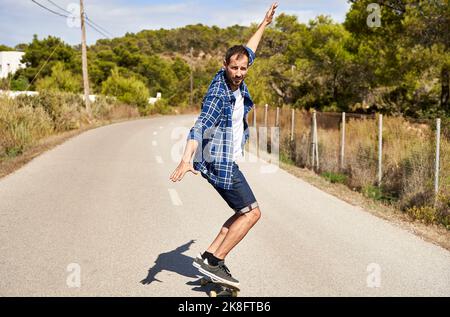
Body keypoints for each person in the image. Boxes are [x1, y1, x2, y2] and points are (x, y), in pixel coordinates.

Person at [169, 3, 278, 288]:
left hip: (222, 158)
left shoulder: (238, 74)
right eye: (235, 68)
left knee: (242, 211)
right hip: (220, 161)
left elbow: (250, 48)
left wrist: (264, 22)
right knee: (253, 213)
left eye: (243, 68)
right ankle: (217, 262)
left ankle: (208, 256)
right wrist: (185, 158)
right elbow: (200, 124)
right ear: (225, 66)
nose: (240, 73)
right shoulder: (219, 92)